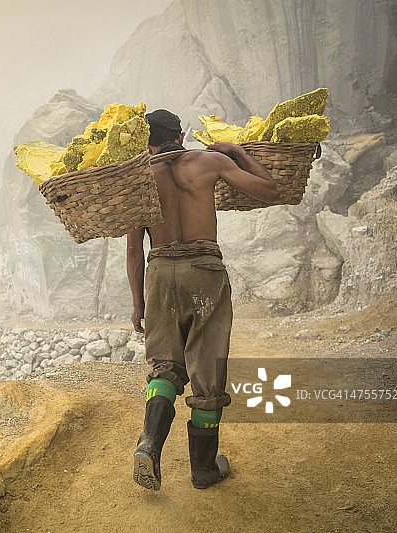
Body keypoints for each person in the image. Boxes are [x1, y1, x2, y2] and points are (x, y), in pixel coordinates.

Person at [128, 109, 279, 491]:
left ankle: (149, 444)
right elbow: (270, 189)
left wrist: (138, 304)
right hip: (204, 270)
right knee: (207, 375)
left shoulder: (136, 179)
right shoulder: (208, 161)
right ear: (179, 134)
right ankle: (204, 469)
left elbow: (133, 251)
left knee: (164, 366)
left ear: (146, 141)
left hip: (159, 271)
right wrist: (237, 153)